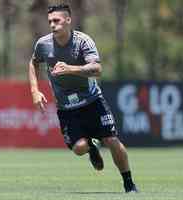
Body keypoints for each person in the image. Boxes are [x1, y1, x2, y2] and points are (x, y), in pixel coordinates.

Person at [28, 3, 138, 193]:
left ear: (68, 20)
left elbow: (97, 69)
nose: (53, 25)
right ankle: (91, 148)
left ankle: (129, 184)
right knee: (79, 148)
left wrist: (71, 68)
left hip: (92, 101)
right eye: (50, 22)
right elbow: (33, 62)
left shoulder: (83, 41)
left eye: (57, 20)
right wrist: (35, 91)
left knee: (111, 140)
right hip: (66, 108)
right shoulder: (43, 44)